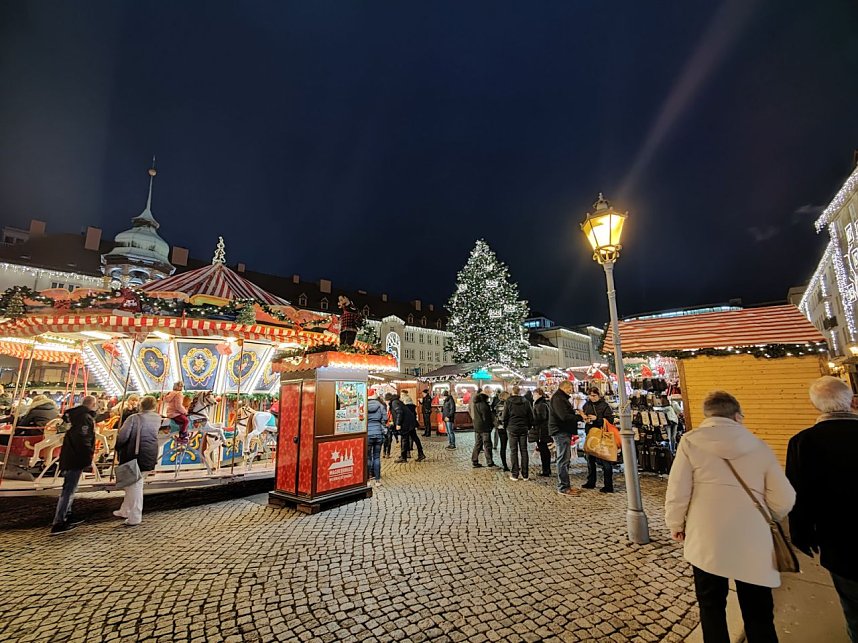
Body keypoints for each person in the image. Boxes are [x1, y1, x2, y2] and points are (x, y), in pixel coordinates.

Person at [665, 391, 795, 643]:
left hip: (707, 535)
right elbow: (785, 497)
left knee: (711, 605)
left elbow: (678, 489)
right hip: (752, 537)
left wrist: (676, 523)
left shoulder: (690, 441)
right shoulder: (758, 446)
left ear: (708, 415)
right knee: (758, 611)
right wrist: (767, 517)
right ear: (737, 415)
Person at [787, 376, 858, 641]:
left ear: (816, 406)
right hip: (839, 539)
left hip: (839, 540)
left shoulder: (803, 442)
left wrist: (802, 535)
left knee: (853, 606)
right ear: (851, 401)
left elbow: (797, 494)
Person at [50, 396, 97, 536]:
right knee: (68, 490)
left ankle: (67, 515)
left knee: (70, 487)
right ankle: (59, 521)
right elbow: (83, 439)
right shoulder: (84, 419)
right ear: (92, 404)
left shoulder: (74, 417)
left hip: (69, 455)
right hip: (76, 457)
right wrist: (88, 456)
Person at [113, 395, 161, 526]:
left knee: (135, 485)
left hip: (136, 454)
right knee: (132, 483)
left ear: (141, 405)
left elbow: (123, 436)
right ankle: (125, 510)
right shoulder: (157, 418)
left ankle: (135, 516)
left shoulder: (134, 418)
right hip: (150, 453)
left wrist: (117, 446)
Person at [578, 388, 616, 493]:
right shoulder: (587, 405)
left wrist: (597, 419)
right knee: (590, 460)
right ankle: (591, 481)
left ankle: (608, 485)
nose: (592, 397)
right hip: (590, 435)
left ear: (599, 395)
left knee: (605, 460)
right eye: (590, 395)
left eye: (594, 395)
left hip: (601, 435)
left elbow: (610, 420)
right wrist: (585, 418)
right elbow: (584, 415)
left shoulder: (604, 406)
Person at [549, 381, 581, 496]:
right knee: (563, 459)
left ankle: (566, 485)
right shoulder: (558, 399)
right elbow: (563, 416)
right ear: (565, 387)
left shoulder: (561, 398)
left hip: (563, 431)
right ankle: (563, 487)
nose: (571, 390)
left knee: (565, 459)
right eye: (570, 388)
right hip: (560, 431)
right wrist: (578, 417)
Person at [503, 385, 533, 481]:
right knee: (524, 450)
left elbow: (505, 416)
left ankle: (515, 474)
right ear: (520, 392)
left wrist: (506, 426)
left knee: (513, 451)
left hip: (512, 428)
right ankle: (525, 475)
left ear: (512, 391)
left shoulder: (508, 402)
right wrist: (528, 426)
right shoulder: (526, 402)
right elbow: (531, 416)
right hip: (523, 428)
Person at [392, 392, 425, 463]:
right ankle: (420, 453)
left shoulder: (395, 403)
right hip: (411, 422)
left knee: (404, 439)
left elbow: (399, 412)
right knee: (414, 438)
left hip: (406, 424)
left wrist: (398, 423)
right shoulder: (400, 402)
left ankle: (404, 457)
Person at [529, 388, 552, 477]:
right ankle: (546, 469)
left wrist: (532, 421)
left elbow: (541, 417)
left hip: (541, 430)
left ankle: (546, 470)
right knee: (544, 449)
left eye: (534, 394)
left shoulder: (540, 404)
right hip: (543, 430)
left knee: (544, 450)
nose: (533, 396)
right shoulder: (543, 403)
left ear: (539, 394)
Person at [471, 392, 496, 468]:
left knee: (478, 444)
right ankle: (490, 462)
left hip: (477, 427)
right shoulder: (484, 405)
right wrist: (491, 426)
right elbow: (486, 418)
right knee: (487, 445)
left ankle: (474, 460)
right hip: (484, 428)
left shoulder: (475, 404)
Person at [366, 391, 386, 484]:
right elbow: (385, 419)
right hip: (378, 434)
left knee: (368, 457)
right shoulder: (381, 406)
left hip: (368, 434)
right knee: (377, 457)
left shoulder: (364, 406)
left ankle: (368, 480)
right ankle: (377, 480)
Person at [494, 391, 510, 472]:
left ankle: (505, 465)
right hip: (506, 427)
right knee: (511, 447)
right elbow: (505, 417)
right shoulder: (507, 404)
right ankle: (507, 465)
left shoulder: (497, 405)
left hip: (500, 428)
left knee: (503, 446)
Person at [382, 393, 399, 458]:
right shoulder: (383, 406)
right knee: (385, 439)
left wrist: (392, 421)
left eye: (388, 400)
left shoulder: (392, 406)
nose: (387, 402)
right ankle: (384, 452)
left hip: (390, 424)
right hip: (385, 424)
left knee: (389, 439)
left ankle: (388, 453)